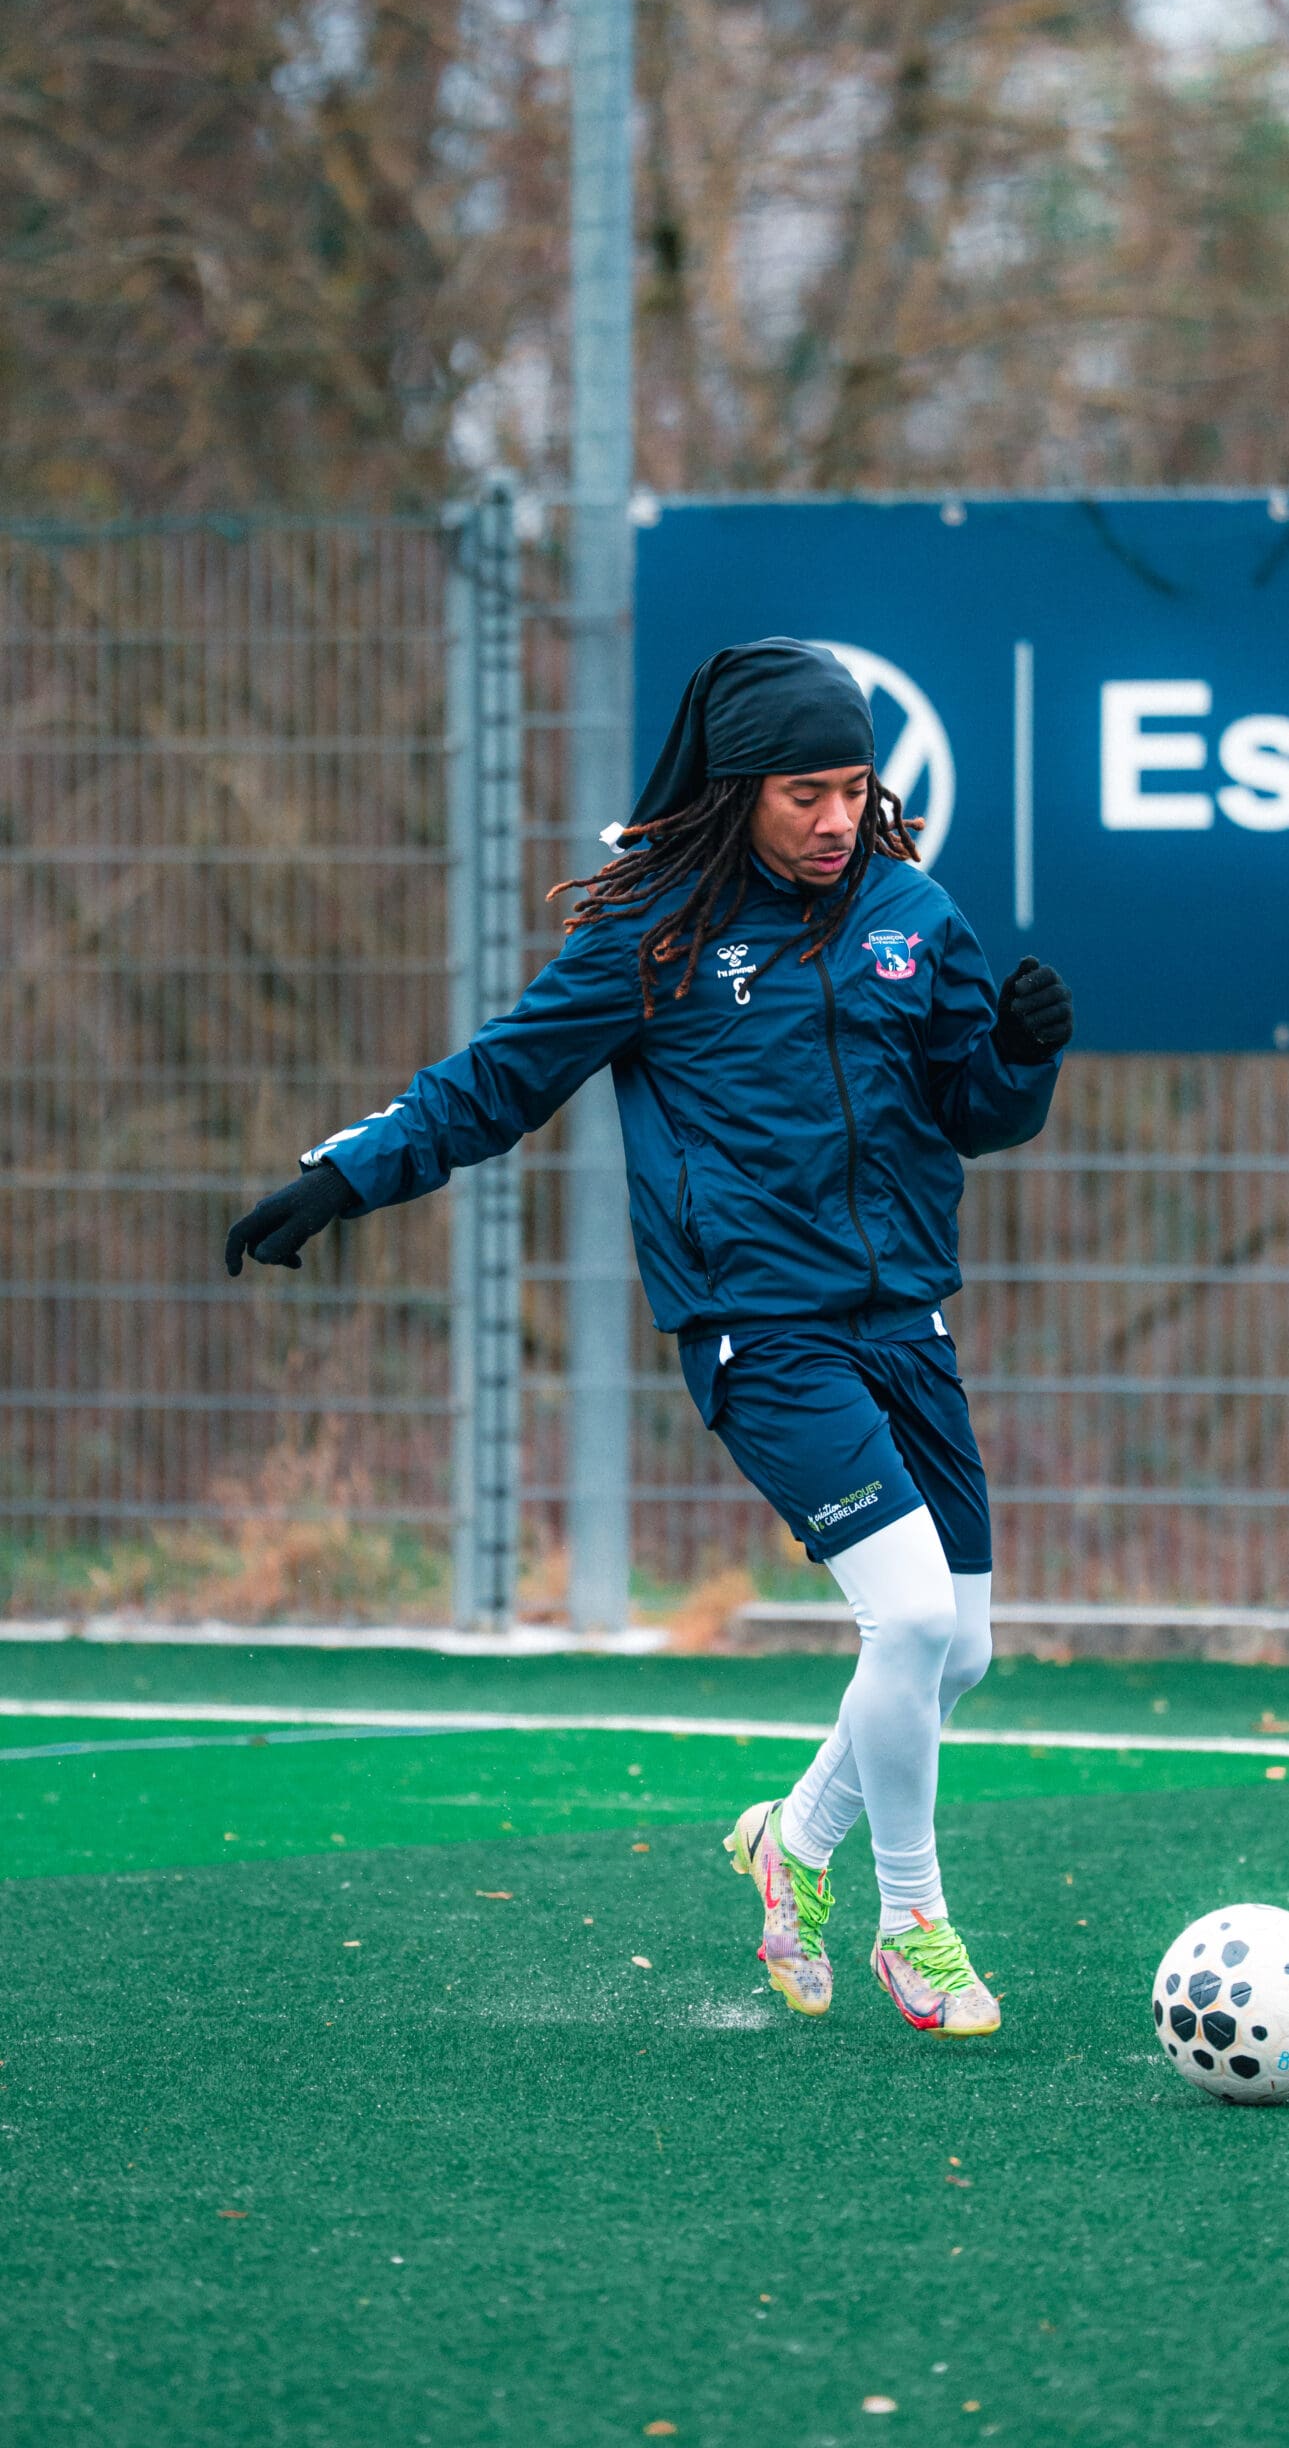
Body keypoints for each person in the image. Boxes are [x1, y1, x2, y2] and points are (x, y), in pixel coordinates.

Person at [226, 638, 1073, 2038]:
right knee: (913, 1619)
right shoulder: (658, 935)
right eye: (805, 794)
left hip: (906, 1322)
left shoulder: (914, 913)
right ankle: (912, 1923)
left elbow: (975, 1111)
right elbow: (495, 1081)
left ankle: (793, 1841)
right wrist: (343, 1174)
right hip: (762, 1331)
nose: (837, 819)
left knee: (960, 1653)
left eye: (854, 789)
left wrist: (1021, 1056)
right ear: (739, 789)